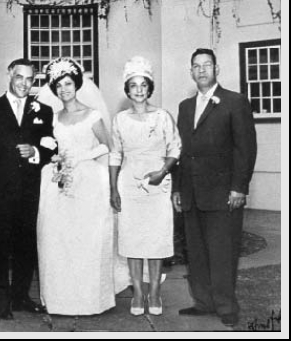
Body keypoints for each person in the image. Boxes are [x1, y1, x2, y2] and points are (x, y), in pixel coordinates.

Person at [36, 58, 131, 315]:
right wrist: (55, 157)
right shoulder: (53, 118)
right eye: (59, 85)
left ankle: (89, 299)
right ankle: (60, 298)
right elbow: (51, 147)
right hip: (59, 180)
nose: (64, 89)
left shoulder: (92, 114)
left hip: (88, 180)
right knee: (58, 239)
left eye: (68, 84)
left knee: (86, 239)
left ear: (76, 85)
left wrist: (81, 157)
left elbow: (107, 146)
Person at [173, 48, 257, 327]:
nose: (202, 70)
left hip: (223, 192)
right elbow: (181, 151)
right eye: (196, 66)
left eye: (207, 65)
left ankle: (226, 306)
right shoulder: (185, 107)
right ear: (191, 72)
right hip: (191, 192)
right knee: (196, 252)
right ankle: (203, 302)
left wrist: (239, 187)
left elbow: (246, 148)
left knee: (223, 251)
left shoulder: (235, 102)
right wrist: (177, 189)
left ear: (216, 69)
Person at [0, 58, 54, 320]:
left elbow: (51, 145)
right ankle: (1, 301)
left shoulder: (43, 111)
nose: (24, 83)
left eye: (30, 79)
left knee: (26, 246)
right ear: (10, 74)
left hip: (30, 190)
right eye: (19, 77)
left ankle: (21, 297)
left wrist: (36, 152)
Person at [109, 56, 181, 317]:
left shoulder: (162, 117)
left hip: (157, 184)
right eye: (133, 85)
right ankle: (138, 292)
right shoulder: (120, 119)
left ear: (149, 88)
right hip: (129, 185)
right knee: (133, 240)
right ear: (127, 90)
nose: (138, 90)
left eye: (143, 85)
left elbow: (175, 149)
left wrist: (162, 172)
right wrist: (113, 189)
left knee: (156, 240)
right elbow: (115, 154)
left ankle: (155, 292)